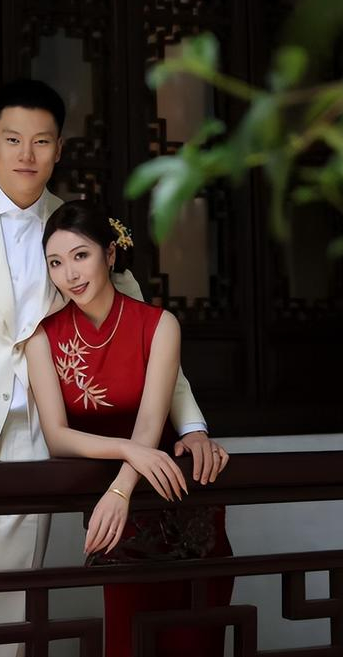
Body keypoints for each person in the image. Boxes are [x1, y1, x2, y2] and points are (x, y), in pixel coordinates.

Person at [0, 79, 214, 657]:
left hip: (38, 438)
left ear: (59, 148)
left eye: (41, 141)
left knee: (15, 613)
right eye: (13, 139)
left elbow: (146, 332)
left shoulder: (75, 231)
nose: (27, 154)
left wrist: (191, 426)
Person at [25, 200, 232, 657]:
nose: (69, 274)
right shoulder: (43, 337)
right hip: (119, 512)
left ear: (110, 253)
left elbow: (150, 425)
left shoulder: (158, 325)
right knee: (128, 640)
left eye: (81, 255)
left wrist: (122, 485)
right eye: (55, 263)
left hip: (176, 495)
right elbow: (58, 437)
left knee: (196, 640)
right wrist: (128, 456)